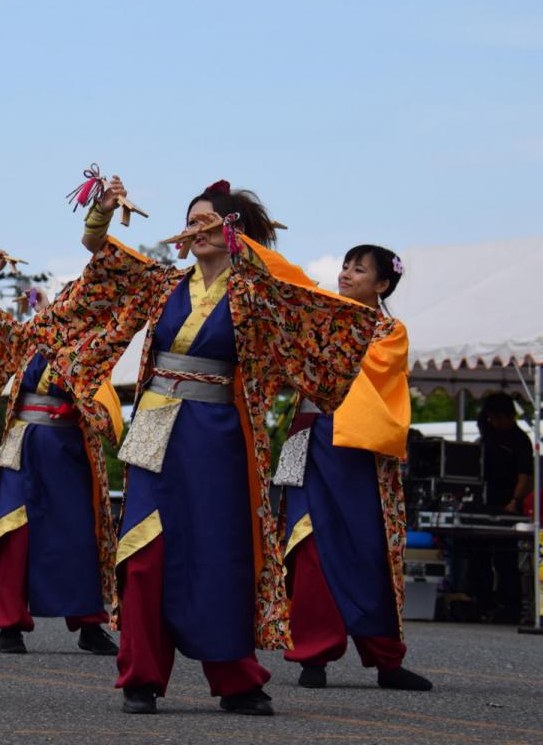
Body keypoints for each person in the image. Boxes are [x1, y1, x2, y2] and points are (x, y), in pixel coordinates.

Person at [31, 178, 378, 715]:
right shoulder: (164, 283)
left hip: (217, 431)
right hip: (152, 424)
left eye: (204, 222)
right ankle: (140, 676)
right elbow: (104, 263)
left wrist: (246, 249)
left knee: (219, 553)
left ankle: (234, 678)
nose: (193, 231)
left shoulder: (255, 291)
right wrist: (99, 214)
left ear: (231, 229)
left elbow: (311, 312)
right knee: (144, 554)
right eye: (189, 222)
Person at [0, 255, 121, 656]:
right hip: (22, 448)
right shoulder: (27, 337)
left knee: (78, 536)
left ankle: (90, 623)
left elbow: (102, 407)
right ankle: (9, 624)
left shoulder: (89, 349)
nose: (68, 308)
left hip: (67, 451)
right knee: (13, 534)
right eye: (65, 300)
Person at [276, 245, 432, 691]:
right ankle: (312, 655)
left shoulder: (389, 330)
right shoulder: (319, 312)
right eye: (345, 265)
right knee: (308, 545)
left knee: (369, 548)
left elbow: (361, 378)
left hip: (356, 448)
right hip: (309, 436)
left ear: (382, 284)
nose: (346, 274)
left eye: (359, 269)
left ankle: (385, 657)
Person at [475, 392, 532, 620]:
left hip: (508, 503)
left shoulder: (519, 440)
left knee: (505, 559)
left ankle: (510, 605)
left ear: (509, 416)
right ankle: (483, 602)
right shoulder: (488, 437)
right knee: (480, 556)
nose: (495, 422)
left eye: (499, 417)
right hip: (486, 501)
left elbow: (524, 474)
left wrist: (515, 501)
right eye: (492, 418)